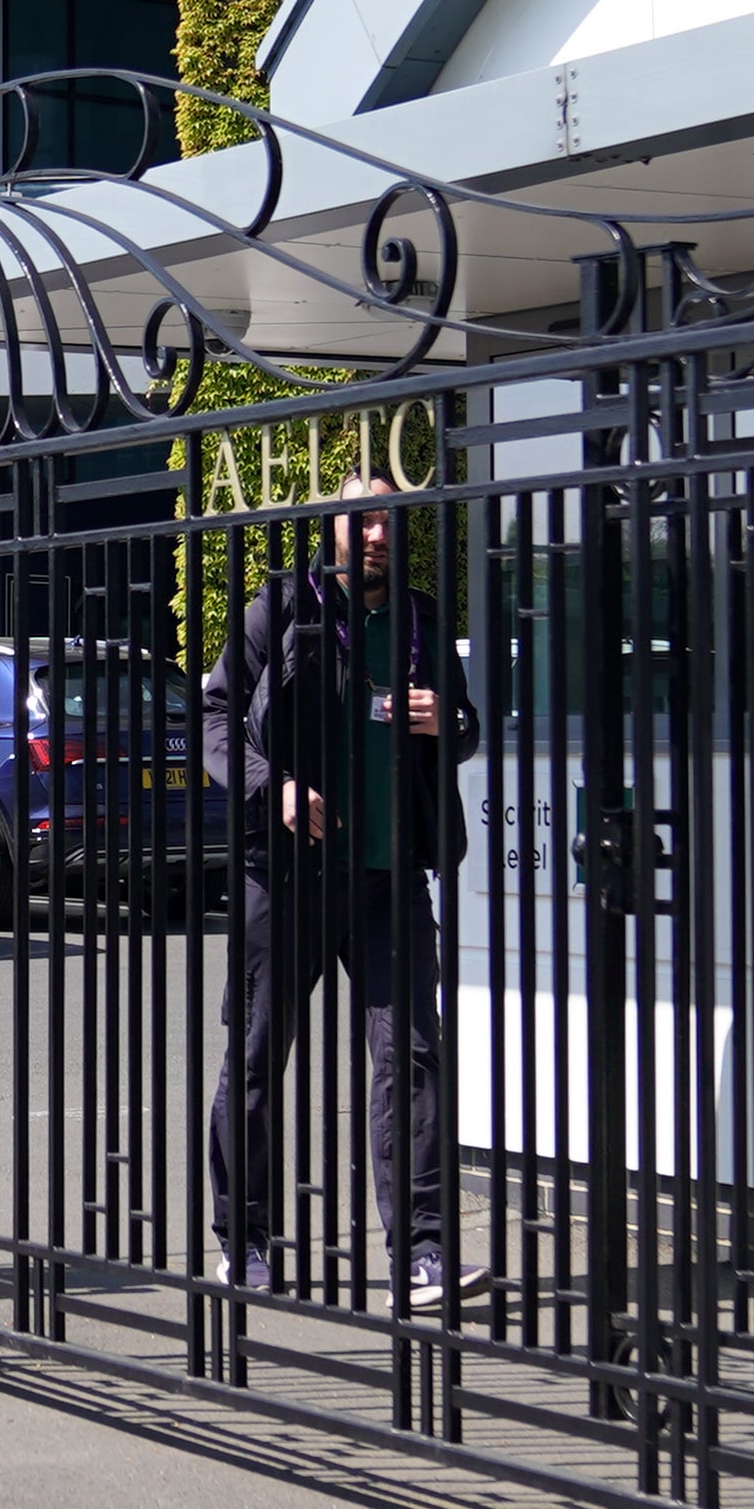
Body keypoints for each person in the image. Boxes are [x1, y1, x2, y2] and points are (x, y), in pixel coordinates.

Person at [200, 464, 482, 1309]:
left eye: (389, 518)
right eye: (361, 518)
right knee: (255, 1058)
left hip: (390, 874)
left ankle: (421, 1251)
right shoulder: (280, 608)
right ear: (333, 527)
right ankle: (243, 1239)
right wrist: (272, 787)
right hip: (284, 876)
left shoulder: (424, 620)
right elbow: (214, 718)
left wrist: (451, 721)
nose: (376, 532)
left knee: (414, 1055)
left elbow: (462, 728)